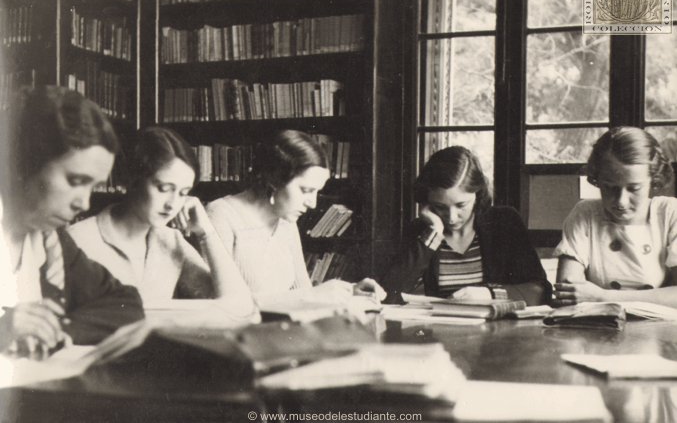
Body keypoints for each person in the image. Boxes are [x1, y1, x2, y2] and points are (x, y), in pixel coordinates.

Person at [0, 86, 144, 357]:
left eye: (94, 187)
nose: (84, 204)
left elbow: (125, 303)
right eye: (76, 181)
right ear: (24, 164)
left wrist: (58, 331)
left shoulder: (50, 241)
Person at [68, 127, 257, 320]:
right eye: (164, 188)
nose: (172, 204)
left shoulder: (170, 241)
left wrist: (206, 232)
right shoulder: (77, 240)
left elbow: (240, 307)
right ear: (133, 180)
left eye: (183, 193)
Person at [206, 130, 385, 306]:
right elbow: (215, 303)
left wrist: (348, 293)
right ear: (276, 179)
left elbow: (303, 292)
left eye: (317, 192)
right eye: (305, 190)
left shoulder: (286, 223)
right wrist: (311, 295)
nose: (312, 204)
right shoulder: (220, 215)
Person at [383, 146, 551, 306]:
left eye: (461, 205)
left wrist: (490, 294)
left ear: (477, 195)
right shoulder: (420, 232)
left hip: (498, 334)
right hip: (440, 332)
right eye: (439, 207)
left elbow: (541, 291)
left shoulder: (505, 222)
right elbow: (388, 296)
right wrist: (433, 232)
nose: (451, 217)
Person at [555, 127, 677, 306]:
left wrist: (603, 296)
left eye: (634, 189)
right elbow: (567, 290)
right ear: (597, 179)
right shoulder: (585, 213)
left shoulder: (669, 212)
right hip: (599, 325)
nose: (621, 201)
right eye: (610, 187)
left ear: (654, 179)